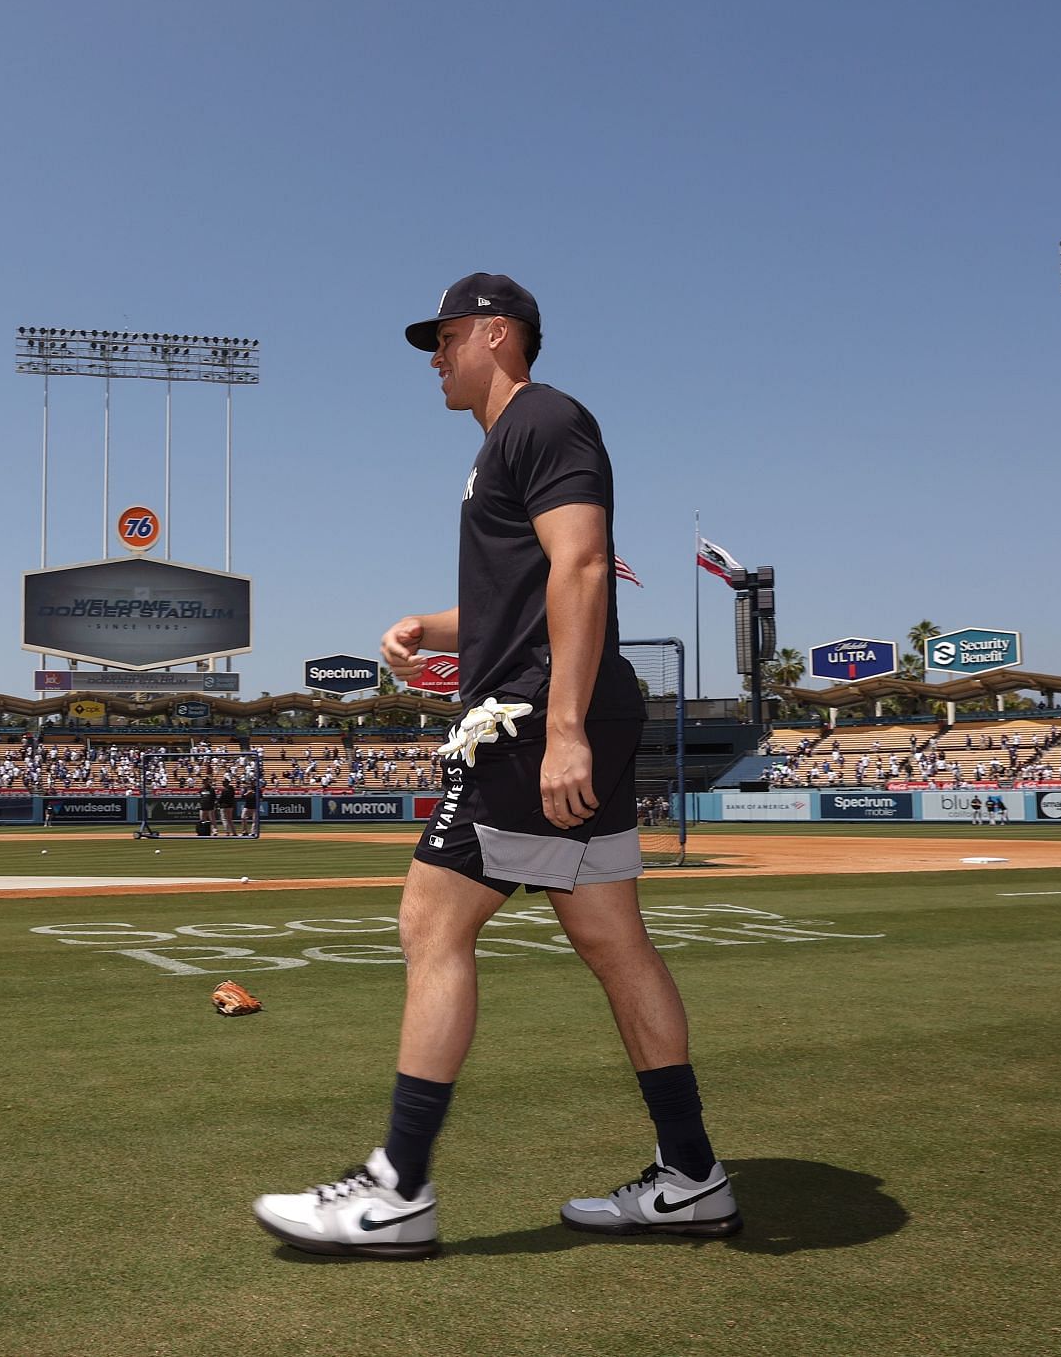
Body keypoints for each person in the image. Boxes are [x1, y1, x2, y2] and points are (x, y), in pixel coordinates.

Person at [253, 273, 737, 1259]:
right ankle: (693, 1177)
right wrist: (433, 624)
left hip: (533, 714)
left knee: (431, 921)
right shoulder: (506, 448)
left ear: (498, 336)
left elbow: (584, 566)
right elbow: (527, 591)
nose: (434, 357)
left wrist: (560, 729)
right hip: (555, 701)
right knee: (615, 943)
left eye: (446, 337)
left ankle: (396, 1189)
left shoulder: (543, 420)